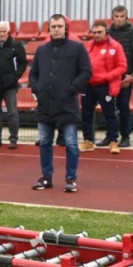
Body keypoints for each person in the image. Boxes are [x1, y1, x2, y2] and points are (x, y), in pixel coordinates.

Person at [28, 14, 91, 192]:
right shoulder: (41, 50)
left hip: (67, 104)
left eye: (59, 26)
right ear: (49, 29)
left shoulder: (77, 48)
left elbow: (86, 72)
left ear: (65, 28)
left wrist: (72, 88)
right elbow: (33, 73)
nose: (56, 29)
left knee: (71, 143)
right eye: (53, 26)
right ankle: (46, 177)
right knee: (45, 141)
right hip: (45, 104)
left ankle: (71, 179)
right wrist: (37, 87)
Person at [80, 21, 127, 155]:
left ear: (106, 32)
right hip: (88, 86)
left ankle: (113, 141)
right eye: (94, 32)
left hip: (106, 85)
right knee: (86, 114)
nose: (97, 35)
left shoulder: (115, 46)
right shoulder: (87, 46)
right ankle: (88, 141)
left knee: (110, 114)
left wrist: (107, 77)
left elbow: (122, 66)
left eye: (99, 32)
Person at [0, 21, 27, 149]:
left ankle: (13, 138)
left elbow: (23, 63)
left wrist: (14, 77)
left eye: (4, 31)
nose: (1, 34)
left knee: (12, 112)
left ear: (8, 32)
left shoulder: (16, 46)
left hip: (10, 86)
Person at [107, 5, 133, 148]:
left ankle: (125, 136)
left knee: (123, 108)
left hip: (125, 78)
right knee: (109, 108)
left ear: (126, 17)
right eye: (116, 16)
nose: (119, 19)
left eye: (122, 16)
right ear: (113, 18)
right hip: (110, 78)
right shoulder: (108, 33)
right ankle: (111, 136)